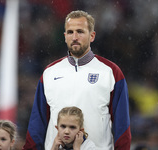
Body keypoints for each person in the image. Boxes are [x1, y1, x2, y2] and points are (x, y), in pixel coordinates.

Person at [23, 10, 131, 150]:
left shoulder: (110, 72)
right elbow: (37, 124)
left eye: (80, 31)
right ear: (64, 36)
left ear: (92, 36)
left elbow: (122, 125)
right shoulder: (50, 72)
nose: (74, 37)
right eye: (70, 32)